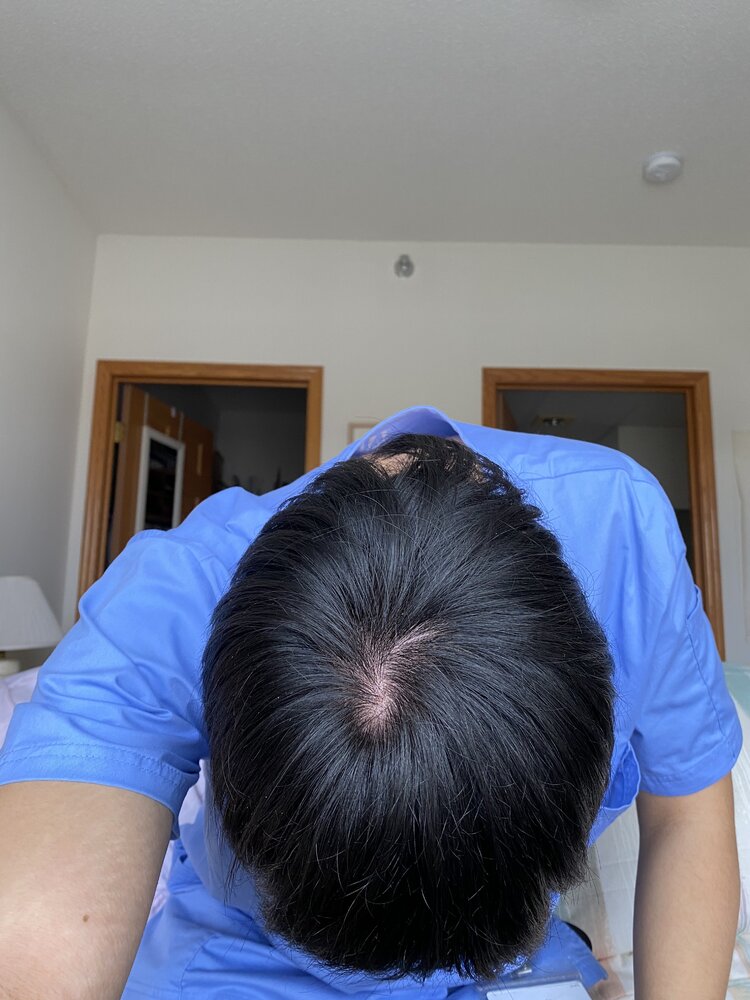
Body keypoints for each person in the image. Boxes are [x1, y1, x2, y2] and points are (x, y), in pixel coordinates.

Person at [0, 405, 741, 1000]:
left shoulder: (624, 534)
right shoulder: (165, 607)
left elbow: (687, 813)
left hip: (509, 955)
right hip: (256, 959)